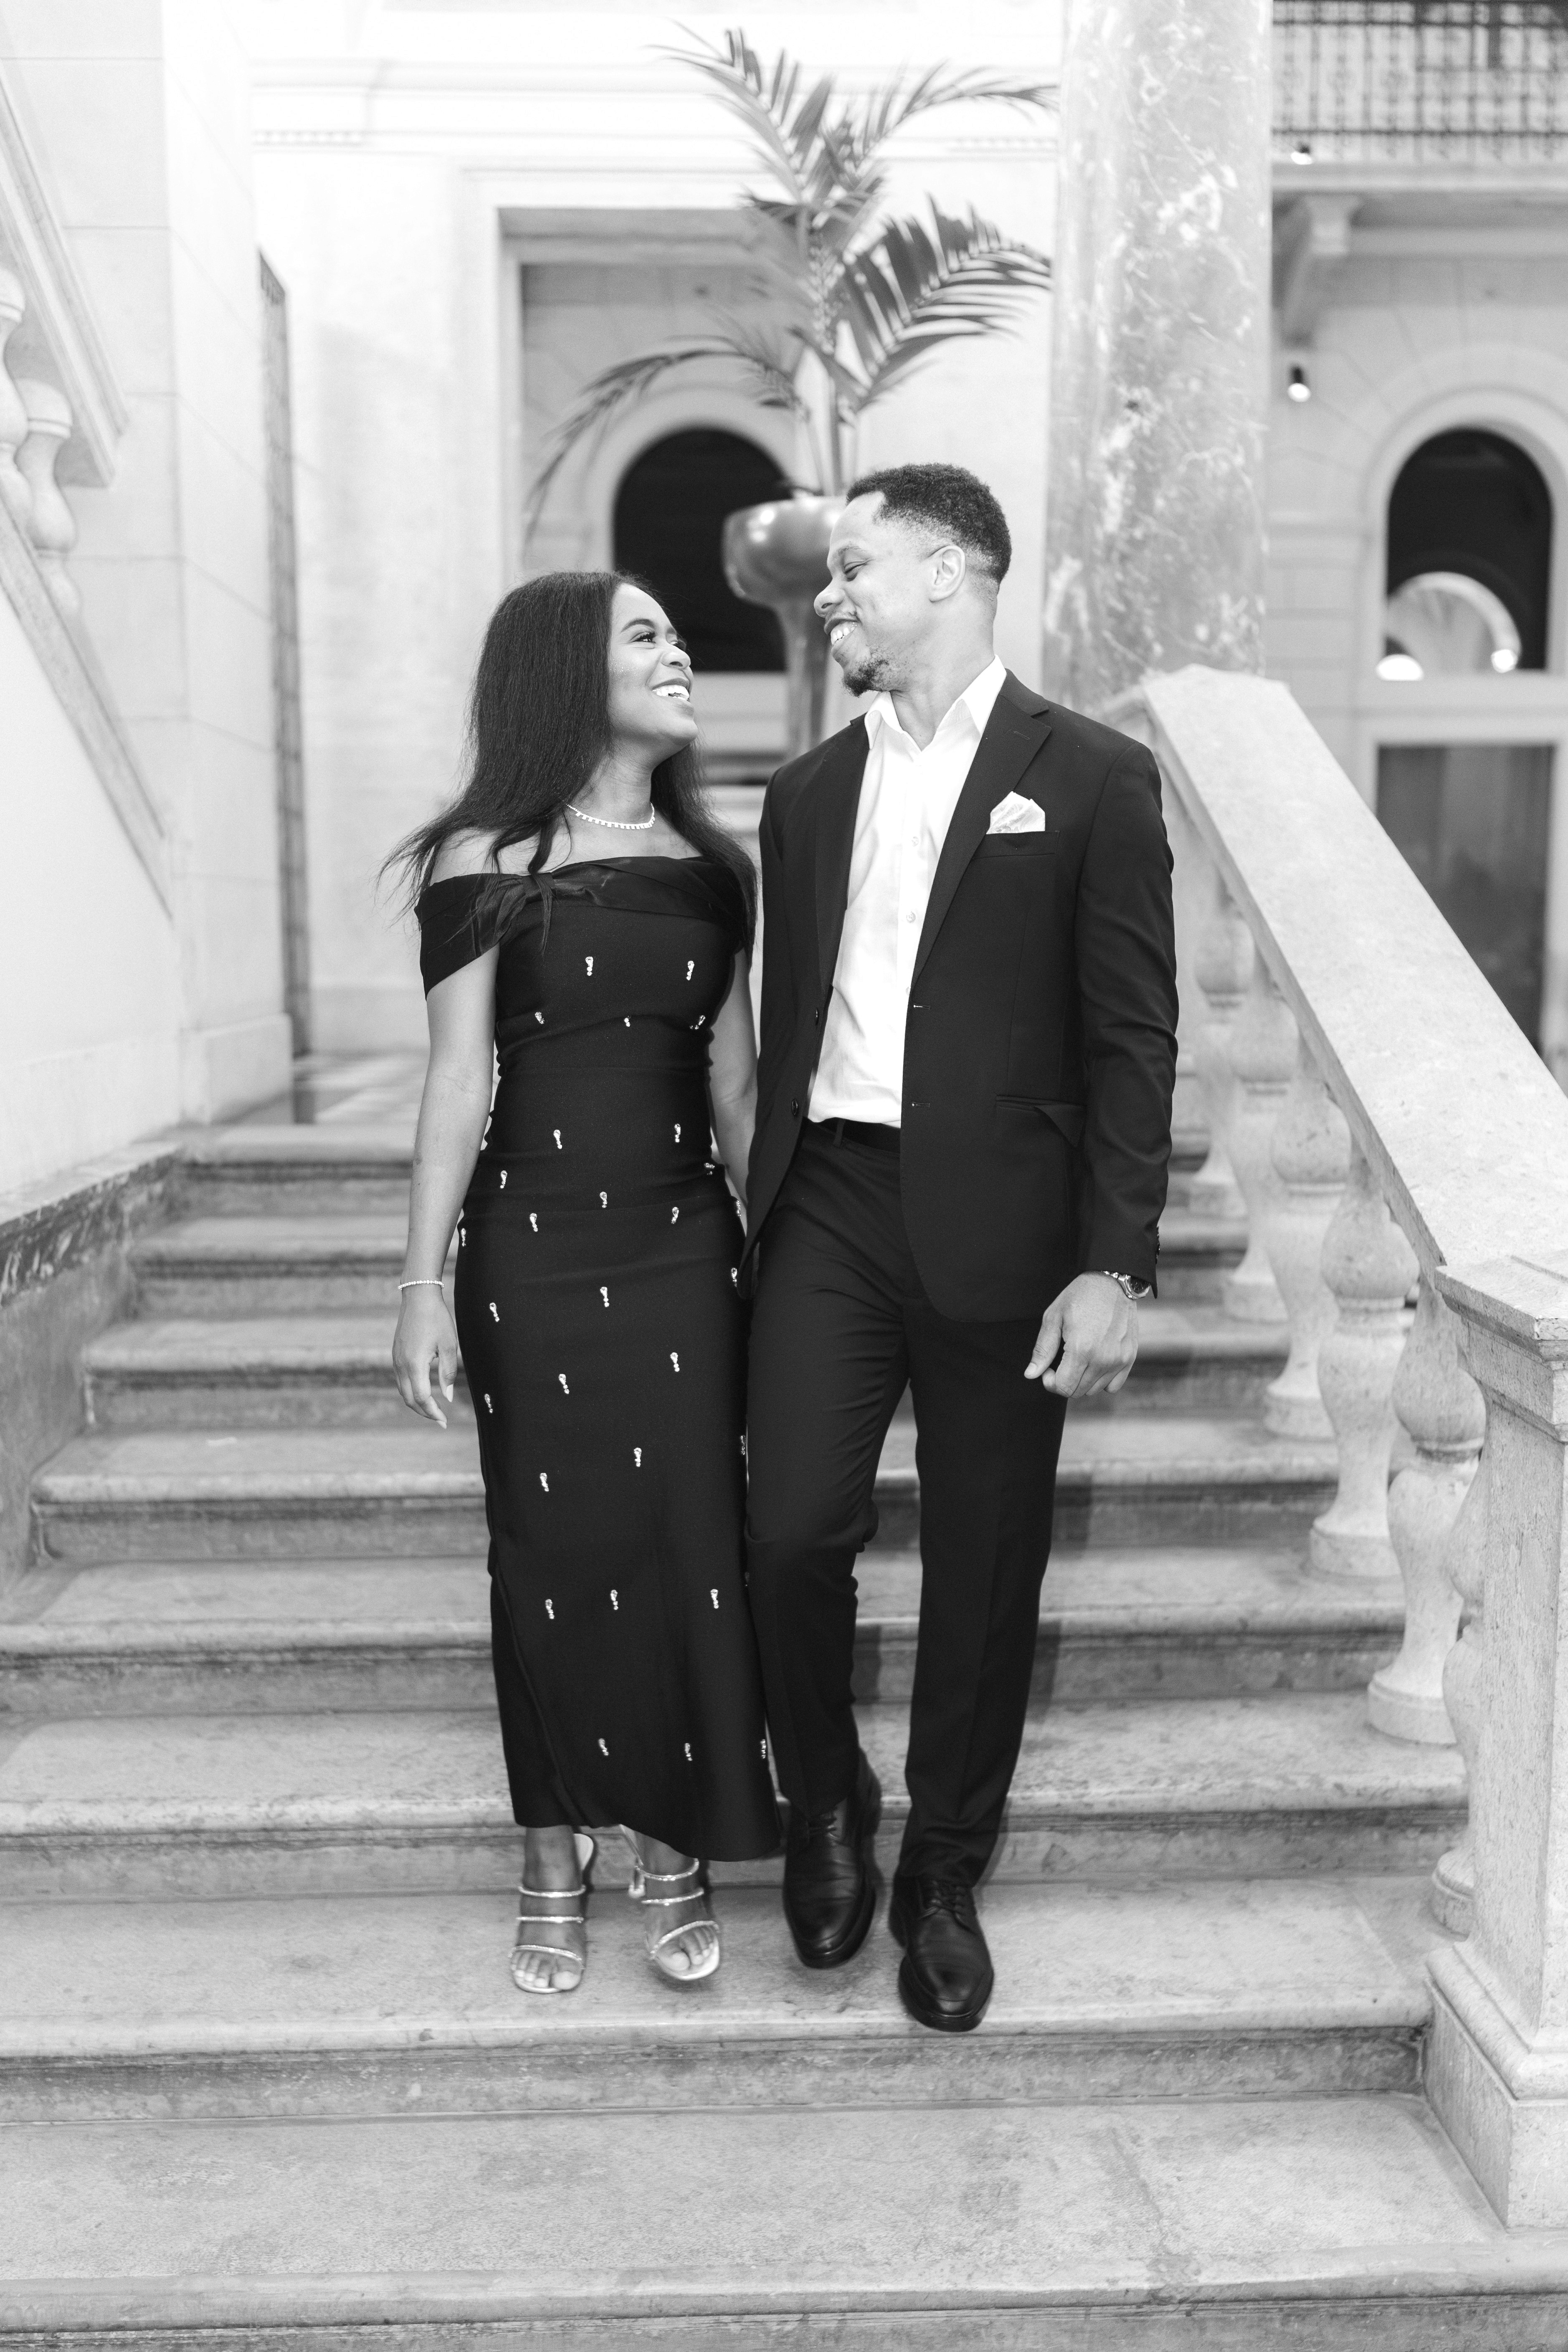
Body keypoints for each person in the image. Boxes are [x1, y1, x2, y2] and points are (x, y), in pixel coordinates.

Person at [743, 463, 1178, 2033]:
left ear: (947, 570)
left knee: (987, 1564)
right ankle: (825, 1797)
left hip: (1008, 1222)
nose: (829, 593)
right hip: (830, 1201)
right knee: (789, 1531)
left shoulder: (1092, 775)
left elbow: (1132, 1039)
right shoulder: (803, 794)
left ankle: (941, 1870)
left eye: (853, 564)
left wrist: (1114, 1263)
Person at [390, 570, 780, 1997]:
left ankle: (671, 1838)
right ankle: (550, 1850)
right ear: (564, 669)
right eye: (644, 635)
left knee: (689, 1540)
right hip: (534, 1251)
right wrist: (422, 1277)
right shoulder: (482, 854)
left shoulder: (712, 866)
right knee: (548, 1551)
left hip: (684, 1251)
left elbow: (736, 1084)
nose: (678, 654)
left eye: (675, 635)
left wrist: (788, 1257)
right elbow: (457, 1077)